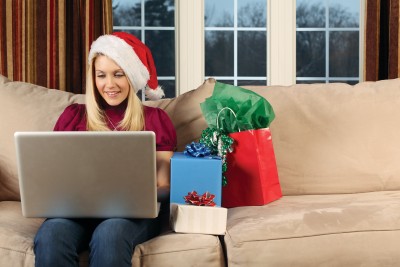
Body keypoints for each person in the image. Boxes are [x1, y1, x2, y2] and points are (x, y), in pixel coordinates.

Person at [33, 32, 177, 267]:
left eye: (118, 74)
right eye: (101, 75)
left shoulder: (155, 119)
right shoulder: (73, 117)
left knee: (110, 234)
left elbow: (165, 185)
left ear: (131, 76)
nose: (109, 84)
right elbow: (55, 175)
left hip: (131, 215)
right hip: (75, 212)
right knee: (51, 235)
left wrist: (137, 195)